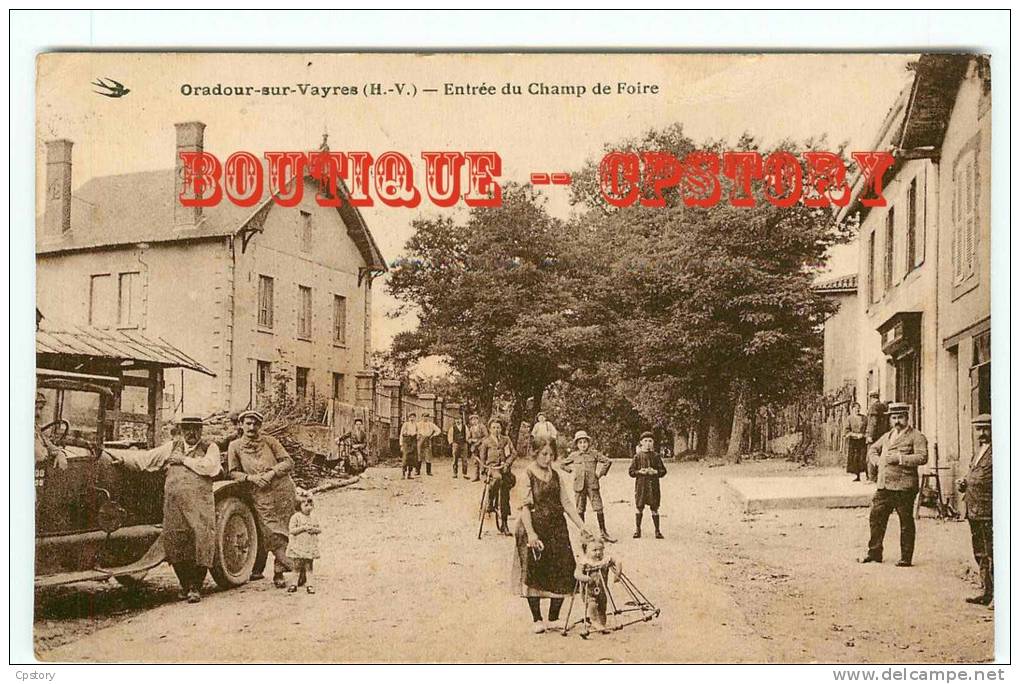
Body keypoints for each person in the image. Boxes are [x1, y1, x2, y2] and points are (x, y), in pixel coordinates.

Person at [105, 416, 220, 603]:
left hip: (200, 504)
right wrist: (122, 460)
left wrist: (183, 460)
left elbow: (210, 468)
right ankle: (184, 585)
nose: (192, 433)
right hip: (174, 503)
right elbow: (146, 459)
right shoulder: (171, 447)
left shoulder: (209, 447)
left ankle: (195, 587)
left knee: (201, 539)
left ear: (201, 431)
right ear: (181, 430)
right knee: (174, 541)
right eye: (187, 429)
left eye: (196, 429)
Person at [512, 437, 596, 634]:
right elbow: (525, 507)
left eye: (551, 455)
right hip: (535, 528)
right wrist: (532, 534)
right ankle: (537, 619)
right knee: (535, 572)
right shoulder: (527, 474)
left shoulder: (556, 475)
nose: (548, 459)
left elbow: (566, 503)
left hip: (557, 528)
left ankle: (554, 617)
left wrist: (582, 526)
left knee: (563, 568)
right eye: (544, 454)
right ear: (535, 453)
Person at [227, 409, 299, 587]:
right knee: (272, 532)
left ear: (260, 425)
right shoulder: (234, 446)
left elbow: (288, 462)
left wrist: (272, 473)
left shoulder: (270, 441)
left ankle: (279, 573)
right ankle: (298, 568)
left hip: (282, 490)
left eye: (255, 424)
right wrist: (251, 478)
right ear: (241, 425)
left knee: (286, 529)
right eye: (248, 423)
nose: (251, 427)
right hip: (260, 493)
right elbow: (232, 472)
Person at [859, 402, 928, 567]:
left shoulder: (917, 436)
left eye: (900, 418)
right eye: (894, 418)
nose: (897, 421)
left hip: (904, 486)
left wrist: (900, 459)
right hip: (884, 486)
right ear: (890, 419)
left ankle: (905, 557)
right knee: (876, 518)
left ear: (907, 418)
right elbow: (872, 449)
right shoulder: (888, 435)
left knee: (905, 522)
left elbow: (922, 457)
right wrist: (877, 462)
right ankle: (875, 552)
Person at [957, 414, 992, 606]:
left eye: (986, 429)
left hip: (989, 509)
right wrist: (964, 483)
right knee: (980, 552)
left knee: (993, 552)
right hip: (974, 509)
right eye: (979, 429)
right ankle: (987, 592)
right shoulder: (979, 451)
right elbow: (974, 475)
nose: (982, 433)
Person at [561, 430, 615, 542]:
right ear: (576, 444)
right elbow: (562, 464)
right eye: (580, 442)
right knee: (580, 509)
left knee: (598, 507)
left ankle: (603, 532)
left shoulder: (594, 454)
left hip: (592, 485)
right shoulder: (574, 455)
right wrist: (570, 470)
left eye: (584, 442)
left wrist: (600, 474)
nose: (583, 445)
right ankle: (584, 533)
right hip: (579, 486)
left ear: (588, 443)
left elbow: (607, 461)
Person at [574, 537, 623, 634]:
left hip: (602, 589)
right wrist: (584, 578)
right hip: (589, 591)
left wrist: (618, 573)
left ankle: (602, 624)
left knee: (602, 606)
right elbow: (576, 574)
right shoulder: (584, 562)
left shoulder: (605, 559)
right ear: (586, 550)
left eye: (601, 549)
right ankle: (594, 622)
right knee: (592, 606)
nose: (598, 553)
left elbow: (618, 561)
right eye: (594, 550)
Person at [480, 418, 517, 535]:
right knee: (497, 478)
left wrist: (507, 464)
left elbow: (513, 453)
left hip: (504, 469)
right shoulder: (486, 441)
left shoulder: (506, 440)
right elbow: (482, 458)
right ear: (490, 429)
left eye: (498, 427)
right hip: (492, 469)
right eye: (494, 427)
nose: (496, 430)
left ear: (501, 429)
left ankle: (504, 524)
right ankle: (490, 501)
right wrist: (484, 470)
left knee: (505, 493)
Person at [629, 432, 667, 539]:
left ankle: (657, 531)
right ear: (641, 443)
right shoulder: (637, 456)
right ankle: (637, 529)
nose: (648, 443)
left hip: (653, 487)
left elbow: (663, 471)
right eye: (645, 441)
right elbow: (631, 472)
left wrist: (655, 472)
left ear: (653, 443)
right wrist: (639, 472)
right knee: (639, 507)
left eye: (650, 441)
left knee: (654, 508)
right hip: (641, 487)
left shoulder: (656, 456)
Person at [34, 391, 68, 499]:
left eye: (40, 408)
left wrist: (59, 453)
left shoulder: (34, 428)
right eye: (35, 408)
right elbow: (39, 455)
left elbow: (47, 444)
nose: (38, 413)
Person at [287, 494, 322, 594]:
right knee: (296, 565)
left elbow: (319, 529)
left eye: (310, 505)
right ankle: (294, 584)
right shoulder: (296, 517)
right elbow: (292, 530)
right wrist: (303, 528)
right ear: (299, 506)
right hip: (298, 545)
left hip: (309, 545)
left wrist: (313, 530)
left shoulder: (313, 518)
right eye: (305, 505)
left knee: (309, 565)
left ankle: (310, 585)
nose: (308, 507)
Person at [865, 390, 889, 482]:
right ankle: (879, 476)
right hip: (882, 435)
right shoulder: (883, 406)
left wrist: (870, 435)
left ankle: (872, 477)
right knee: (881, 455)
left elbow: (873, 423)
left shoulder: (873, 407)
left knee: (871, 455)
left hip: (874, 436)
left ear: (871, 397)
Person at [844, 402, 868, 481]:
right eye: (856, 408)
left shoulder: (864, 418)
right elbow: (846, 431)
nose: (857, 409)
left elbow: (868, 429)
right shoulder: (849, 418)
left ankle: (868, 475)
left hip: (862, 440)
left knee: (863, 457)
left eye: (858, 408)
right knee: (855, 458)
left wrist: (863, 435)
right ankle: (857, 476)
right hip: (854, 441)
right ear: (852, 409)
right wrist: (854, 434)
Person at [467, 414, 488, 481]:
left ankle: (484, 476)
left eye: (475, 419)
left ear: (478, 420)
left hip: (482, 445)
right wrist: (471, 440)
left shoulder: (482, 427)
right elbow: (468, 438)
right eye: (472, 420)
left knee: (482, 460)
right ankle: (476, 476)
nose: (474, 421)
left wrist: (479, 441)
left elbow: (486, 436)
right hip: (474, 446)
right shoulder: (471, 428)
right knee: (475, 461)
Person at [448, 414, 469, 478]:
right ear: (455, 420)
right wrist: (452, 443)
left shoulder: (465, 427)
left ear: (461, 420)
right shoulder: (452, 428)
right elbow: (450, 435)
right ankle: (455, 473)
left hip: (464, 444)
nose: (458, 421)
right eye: (456, 419)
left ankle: (464, 474)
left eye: (459, 419)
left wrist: (466, 441)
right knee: (455, 459)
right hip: (456, 444)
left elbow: (468, 434)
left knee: (465, 459)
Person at [399, 413, 418, 479]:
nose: (412, 418)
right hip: (406, 442)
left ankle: (409, 474)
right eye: (410, 417)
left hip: (413, 442)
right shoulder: (405, 424)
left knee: (412, 459)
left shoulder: (416, 425)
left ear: (415, 418)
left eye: (413, 417)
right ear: (408, 418)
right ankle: (403, 474)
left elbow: (418, 433)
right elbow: (401, 434)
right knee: (405, 458)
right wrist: (401, 444)